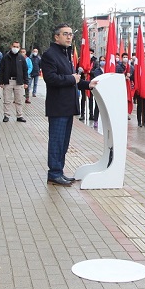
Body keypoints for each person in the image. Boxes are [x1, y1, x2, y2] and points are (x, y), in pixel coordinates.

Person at [40, 23, 96, 186]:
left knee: (64, 142)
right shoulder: (50, 55)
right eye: (65, 34)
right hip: (58, 106)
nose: (69, 36)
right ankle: (54, 173)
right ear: (56, 36)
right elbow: (51, 79)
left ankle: (59, 171)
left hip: (68, 106)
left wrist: (88, 84)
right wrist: (72, 78)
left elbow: (73, 80)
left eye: (71, 34)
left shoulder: (66, 54)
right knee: (57, 141)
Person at [0, 41, 28, 122]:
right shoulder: (6, 57)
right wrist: (0, 82)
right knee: (7, 100)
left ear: (19, 48)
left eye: (17, 47)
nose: (15, 48)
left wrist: (26, 82)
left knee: (19, 100)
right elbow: (1, 69)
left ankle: (19, 115)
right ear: (11, 46)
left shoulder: (21, 58)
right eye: (14, 46)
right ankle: (6, 115)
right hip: (8, 81)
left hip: (19, 82)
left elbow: (25, 70)